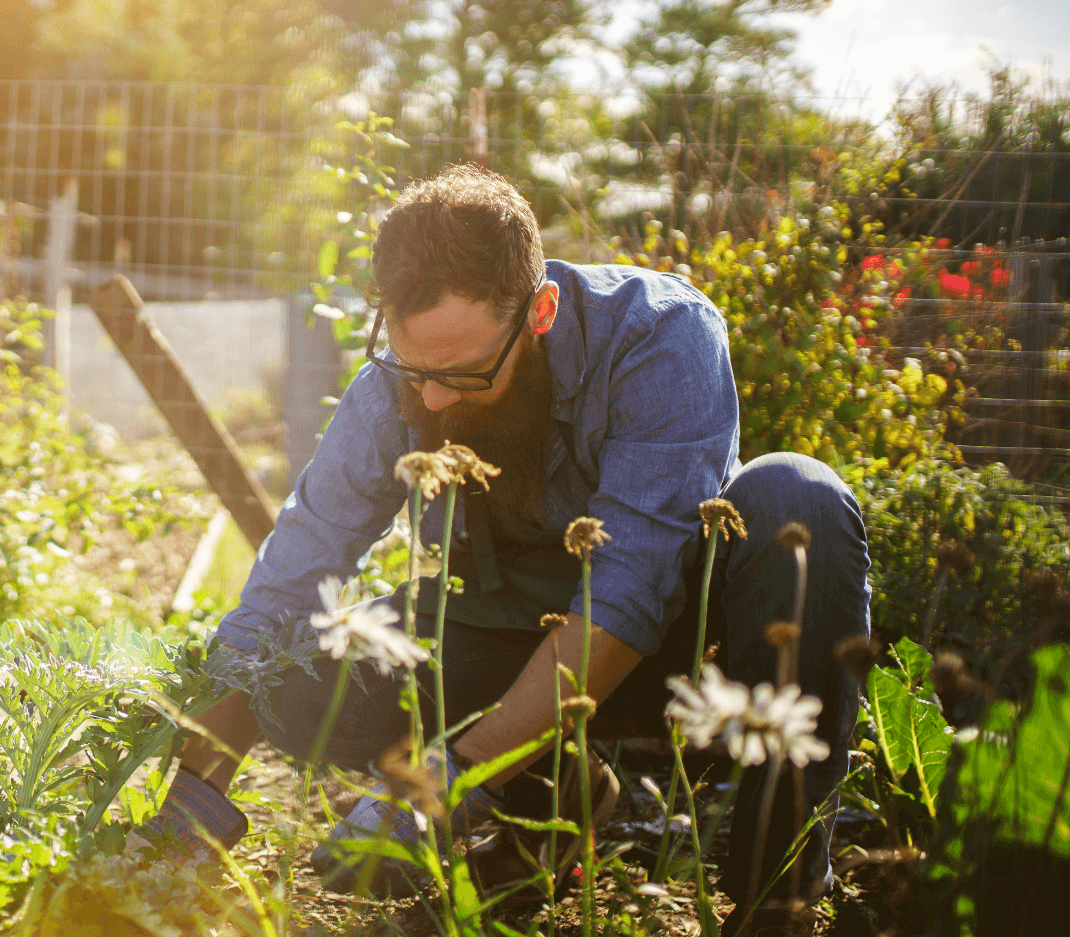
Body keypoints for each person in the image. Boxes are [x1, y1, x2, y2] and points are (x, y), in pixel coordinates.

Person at [133, 164, 869, 936]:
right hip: (508, 633)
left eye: (465, 373)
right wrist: (193, 794)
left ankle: (773, 893)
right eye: (418, 371)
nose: (436, 399)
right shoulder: (401, 382)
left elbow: (630, 592)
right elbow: (293, 572)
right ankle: (551, 804)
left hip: (682, 650)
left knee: (801, 497)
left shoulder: (659, 337)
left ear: (541, 310)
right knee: (294, 677)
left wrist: (450, 779)